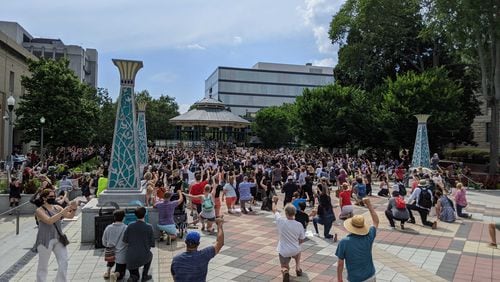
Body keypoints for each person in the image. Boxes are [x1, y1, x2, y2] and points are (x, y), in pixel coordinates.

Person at [34, 188, 77, 282]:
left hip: (58, 238)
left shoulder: (57, 207)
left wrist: (74, 208)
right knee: (43, 265)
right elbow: (49, 221)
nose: (53, 198)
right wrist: (62, 212)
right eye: (50, 196)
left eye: (54, 196)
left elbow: (70, 216)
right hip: (44, 240)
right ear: (44, 198)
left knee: (64, 261)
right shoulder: (39, 210)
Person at [336, 198, 379, 282]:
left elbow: (340, 264)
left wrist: (340, 280)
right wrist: (369, 205)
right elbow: (376, 222)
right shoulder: (369, 236)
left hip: (355, 278)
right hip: (370, 275)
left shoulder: (344, 242)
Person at [272, 196, 305, 281]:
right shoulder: (299, 224)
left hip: (283, 251)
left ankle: (285, 271)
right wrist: (296, 243)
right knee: (299, 251)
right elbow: (301, 240)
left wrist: (274, 202)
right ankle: (298, 268)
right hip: (295, 249)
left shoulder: (280, 221)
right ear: (294, 213)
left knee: (284, 266)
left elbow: (274, 210)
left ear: (286, 213)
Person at [123, 207, 155, 282]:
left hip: (130, 257)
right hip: (144, 255)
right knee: (150, 255)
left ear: (135, 215)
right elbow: (152, 244)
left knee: (135, 276)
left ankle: (133, 277)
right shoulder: (149, 227)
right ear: (145, 214)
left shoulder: (130, 225)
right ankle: (144, 275)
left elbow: (125, 240)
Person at [102, 209, 128, 282]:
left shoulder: (108, 227)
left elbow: (104, 241)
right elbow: (127, 242)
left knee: (110, 261)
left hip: (110, 252)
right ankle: (116, 274)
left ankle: (108, 271)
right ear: (123, 218)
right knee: (121, 272)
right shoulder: (126, 228)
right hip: (121, 253)